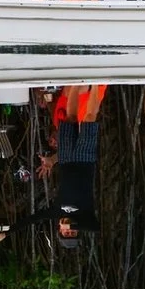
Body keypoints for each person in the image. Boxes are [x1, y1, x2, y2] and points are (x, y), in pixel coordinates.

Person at [20, 84, 103, 247]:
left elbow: (31, 219)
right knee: (90, 118)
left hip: (65, 159)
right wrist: (74, 224)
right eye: (73, 233)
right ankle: (95, 84)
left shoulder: (56, 211)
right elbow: (96, 228)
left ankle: (76, 83)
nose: (70, 230)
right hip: (85, 160)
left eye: (66, 233)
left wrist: (6, 232)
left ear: (59, 228)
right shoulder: (85, 216)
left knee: (69, 118)